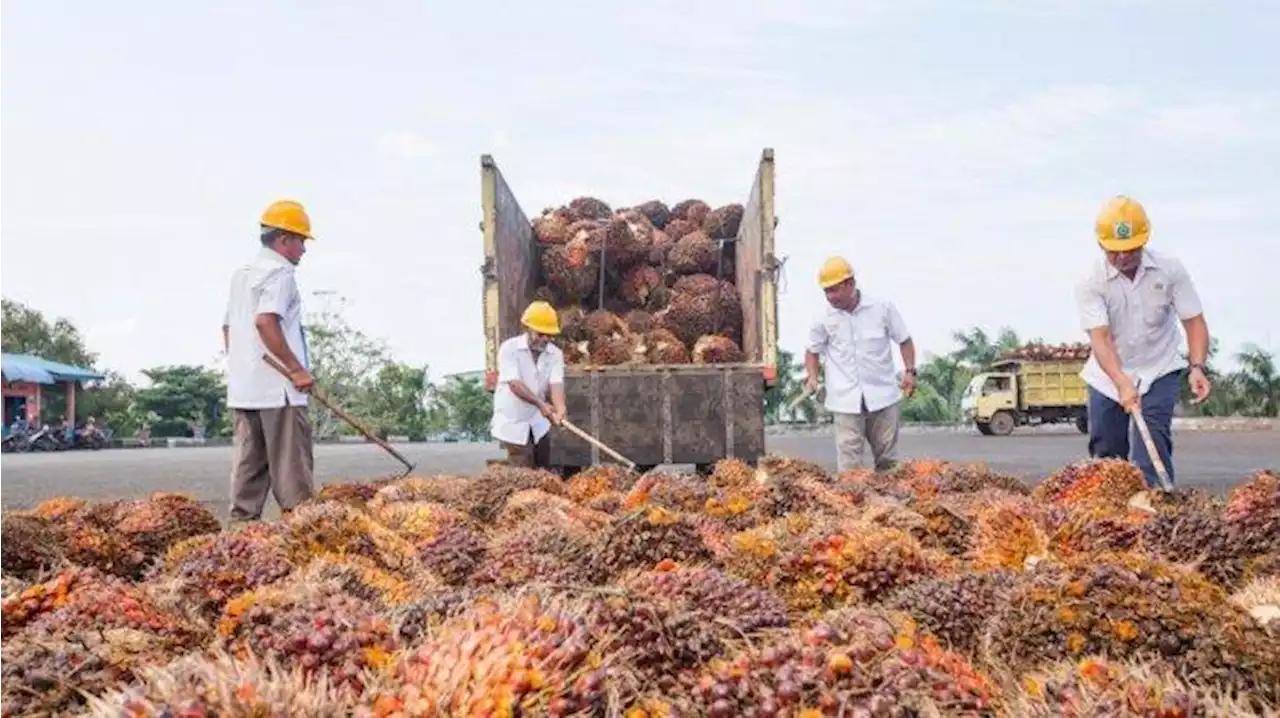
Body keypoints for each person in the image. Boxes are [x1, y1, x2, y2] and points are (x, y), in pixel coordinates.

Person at [1075, 195, 1211, 489]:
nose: (1123, 258)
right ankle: (1109, 521)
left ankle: (1157, 511)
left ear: (1144, 241)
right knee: (1107, 458)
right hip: (1108, 374)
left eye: (1130, 250)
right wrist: (1121, 381)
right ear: (1101, 245)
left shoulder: (1169, 269)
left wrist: (1197, 366)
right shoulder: (1090, 280)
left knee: (1152, 443)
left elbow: (1194, 321)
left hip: (1159, 367)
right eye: (1115, 252)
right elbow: (1101, 339)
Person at [221, 199, 318, 521]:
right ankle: (302, 533)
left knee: (249, 466)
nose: (304, 249)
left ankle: (241, 533)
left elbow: (228, 327)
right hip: (280, 391)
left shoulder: (242, 274)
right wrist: (296, 369)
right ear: (284, 239)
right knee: (292, 473)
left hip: (246, 389)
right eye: (302, 241)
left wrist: (240, 366)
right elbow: (266, 321)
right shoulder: (280, 272)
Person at [804, 256, 916, 473]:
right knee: (850, 470)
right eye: (826, 291)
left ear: (851, 284)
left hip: (883, 398)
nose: (830, 297)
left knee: (889, 465)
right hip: (845, 403)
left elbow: (904, 340)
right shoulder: (823, 318)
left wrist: (910, 371)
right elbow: (812, 351)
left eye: (835, 290)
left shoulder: (882, 308)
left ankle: (888, 506)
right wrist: (812, 376)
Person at [490, 301, 568, 468]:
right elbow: (514, 384)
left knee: (543, 467)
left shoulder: (555, 354)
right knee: (523, 467)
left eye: (549, 335)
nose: (545, 339)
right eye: (540, 334)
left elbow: (556, 383)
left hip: (538, 420)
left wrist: (560, 409)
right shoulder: (509, 349)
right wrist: (541, 404)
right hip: (514, 419)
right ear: (528, 329)